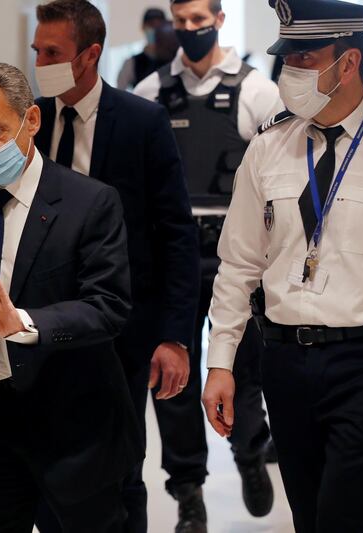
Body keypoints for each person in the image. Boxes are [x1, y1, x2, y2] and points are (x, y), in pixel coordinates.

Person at [202, 0, 363, 531]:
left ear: (347, 64)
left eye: (305, 58)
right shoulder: (268, 148)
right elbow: (237, 263)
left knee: (344, 517)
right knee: (307, 515)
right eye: (287, 58)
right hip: (284, 361)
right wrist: (220, 362)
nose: (289, 72)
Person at [0, 62, 142, 533]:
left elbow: (108, 306)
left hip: (72, 427)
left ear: (31, 121)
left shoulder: (90, 202)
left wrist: (24, 323)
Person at [30, 1, 201, 532]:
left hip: (122, 333)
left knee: (119, 472)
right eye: (37, 51)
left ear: (90, 55)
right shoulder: (30, 122)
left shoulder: (141, 122)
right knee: (46, 469)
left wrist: (175, 337)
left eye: (52, 52)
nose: (40, 61)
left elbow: (176, 234)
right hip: (42, 328)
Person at [134, 0, 285, 525]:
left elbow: (282, 171)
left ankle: (250, 451)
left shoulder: (258, 91)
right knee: (171, 375)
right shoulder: (150, 95)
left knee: (242, 370)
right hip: (171, 256)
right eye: (182, 22)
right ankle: (188, 491)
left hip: (237, 254)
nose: (190, 29)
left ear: (219, 19)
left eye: (199, 19)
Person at [117, 8, 169, 90]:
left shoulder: (173, 60)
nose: (155, 29)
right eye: (151, 25)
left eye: (159, 26)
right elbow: (119, 92)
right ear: (143, 27)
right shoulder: (132, 63)